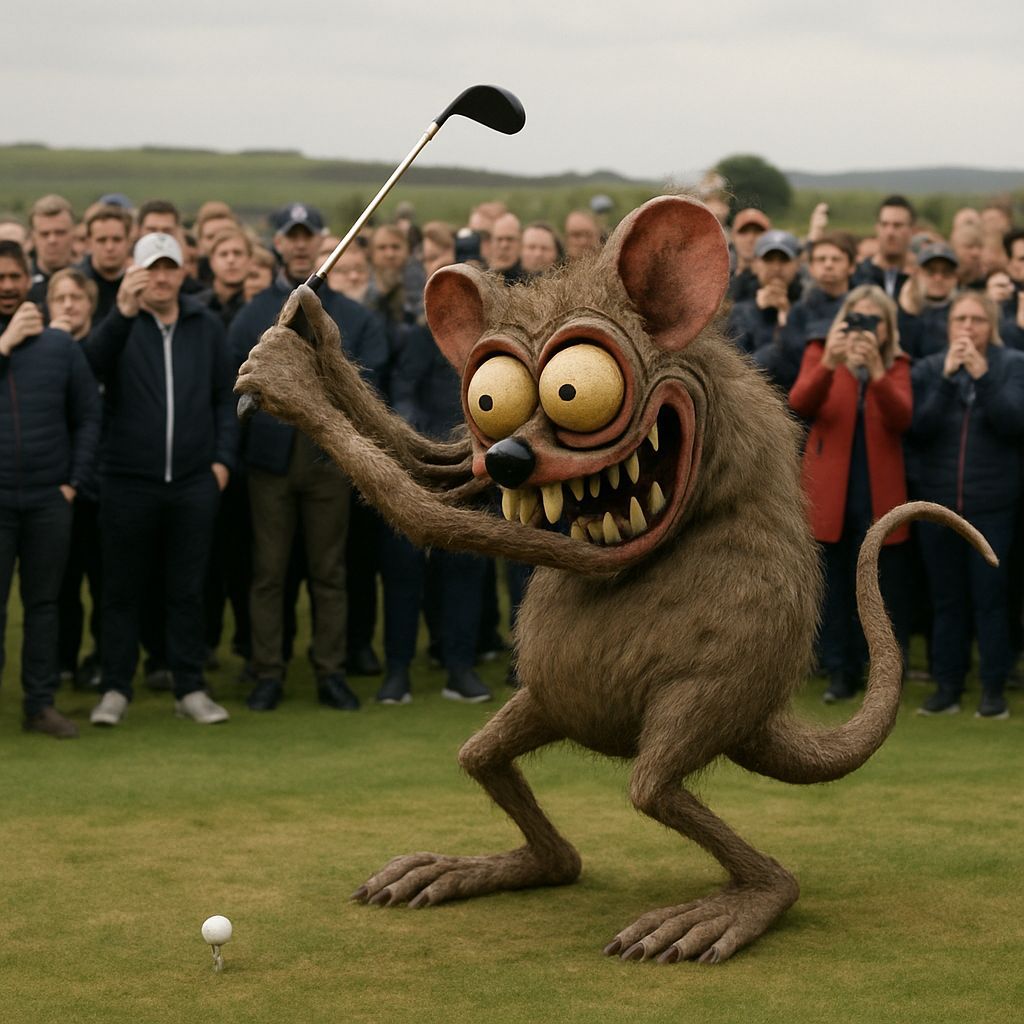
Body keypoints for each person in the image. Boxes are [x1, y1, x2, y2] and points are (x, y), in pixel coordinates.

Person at [228, 202, 388, 712]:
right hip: (269, 461)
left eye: (307, 236)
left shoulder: (353, 316)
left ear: (321, 242)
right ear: (277, 243)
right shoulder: (254, 314)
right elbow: (231, 383)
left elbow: (365, 387)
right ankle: (268, 671)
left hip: (328, 459)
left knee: (329, 571)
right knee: (269, 572)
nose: (298, 244)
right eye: (289, 236)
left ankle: (330, 671)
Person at [83, 232, 238, 727]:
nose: (163, 277)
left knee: (186, 589)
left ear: (182, 270)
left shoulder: (205, 324)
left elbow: (225, 398)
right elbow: (90, 367)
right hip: (127, 479)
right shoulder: (120, 323)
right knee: (122, 590)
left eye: (170, 267)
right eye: (153, 267)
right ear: (137, 272)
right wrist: (122, 313)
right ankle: (114, 687)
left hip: (193, 480)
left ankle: (189, 686)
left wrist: (221, 461)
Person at [376, 229, 492, 705]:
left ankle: (460, 669)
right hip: (423, 468)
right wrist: (427, 446)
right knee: (404, 575)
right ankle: (397, 671)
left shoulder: (496, 338)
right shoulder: (426, 334)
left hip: (476, 469)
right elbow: (404, 391)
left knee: (464, 574)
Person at [789, 286, 912, 703]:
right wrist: (828, 363)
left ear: (887, 329)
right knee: (837, 588)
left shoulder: (896, 363)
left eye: (872, 322)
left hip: (877, 492)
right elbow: (800, 402)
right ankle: (840, 674)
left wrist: (877, 371)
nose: (862, 330)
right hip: (832, 492)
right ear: (841, 320)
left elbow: (902, 417)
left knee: (881, 592)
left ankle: (880, 674)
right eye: (855, 319)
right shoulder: (819, 352)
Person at [0, 241, 100, 737]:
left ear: (28, 281)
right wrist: (3, 346)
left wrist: (72, 482)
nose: (6, 285)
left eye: (14, 276)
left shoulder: (58, 346)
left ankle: (40, 704)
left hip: (47, 500)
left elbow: (88, 416)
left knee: (44, 606)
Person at [910, 292, 1024, 719]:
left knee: (990, 601)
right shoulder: (928, 367)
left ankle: (992, 691)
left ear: (991, 325)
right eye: (961, 319)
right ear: (949, 325)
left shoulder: (1013, 364)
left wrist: (984, 376)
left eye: (977, 319)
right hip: (939, 506)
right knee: (947, 601)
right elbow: (917, 428)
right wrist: (944, 378)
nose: (969, 327)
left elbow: (1015, 422)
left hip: (993, 503)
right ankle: (947, 688)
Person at [47, 270, 106, 690]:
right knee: (61, 584)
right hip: (56, 488)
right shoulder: (38, 353)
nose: (68, 305)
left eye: (76, 297)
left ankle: (101, 660)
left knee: (104, 583)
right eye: (60, 298)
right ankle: (62, 660)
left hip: (102, 488)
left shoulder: (104, 350)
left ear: (91, 304)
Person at [755, 231, 855, 392]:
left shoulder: (863, 308)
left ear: (851, 266)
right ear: (811, 268)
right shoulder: (798, 312)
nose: (828, 264)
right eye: (821, 259)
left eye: (836, 259)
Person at [727, 230, 802, 357]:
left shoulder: (807, 306)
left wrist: (787, 317)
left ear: (797, 265)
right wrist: (760, 315)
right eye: (768, 260)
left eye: (784, 260)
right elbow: (736, 365)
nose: (776, 268)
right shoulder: (740, 312)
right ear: (755, 265)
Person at [897, 243, 959, 358]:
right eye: (931, 271)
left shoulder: (964, 312)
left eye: (946, 272)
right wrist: (907, 315)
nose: (938, 278)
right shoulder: (903, 309)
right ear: (918, 274)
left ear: (955, 277)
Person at [852, 196, 915, 298]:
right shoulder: (857, 276)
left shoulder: (920, 279)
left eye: (897, 225)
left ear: (911, 230)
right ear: (877, 228)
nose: (890, 232)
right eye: (884, 224)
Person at [80, 204, 133, 321]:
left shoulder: (139, 285)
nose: (109, 247)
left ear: (129, 241)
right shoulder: (76, 283)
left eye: (117, 239)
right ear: (89, 243)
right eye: (101, 240)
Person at [195, 226, 251, 329]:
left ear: (250, 260)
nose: (231, 260)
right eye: (223, 254)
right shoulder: (196, 307)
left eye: (237, 253)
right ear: (211, 262)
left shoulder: (261, 308)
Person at [26, 195, 76, 308]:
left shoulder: (87, 281)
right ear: (33, 237)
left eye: (60, 233)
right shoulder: (21, 285)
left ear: (73, 233)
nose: (52, 240)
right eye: (44, 234)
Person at [728, 208, 770, 302]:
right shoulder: (719, 277)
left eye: (757, 232)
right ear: (733, 237)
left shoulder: (781, 276)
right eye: (744, 232)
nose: (750, 239)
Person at [490, 213, 526, 283]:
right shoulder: (482, 277)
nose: (504, 245)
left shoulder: (531, 281)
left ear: (521, 242)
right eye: (499, 239)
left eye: (510, 239)